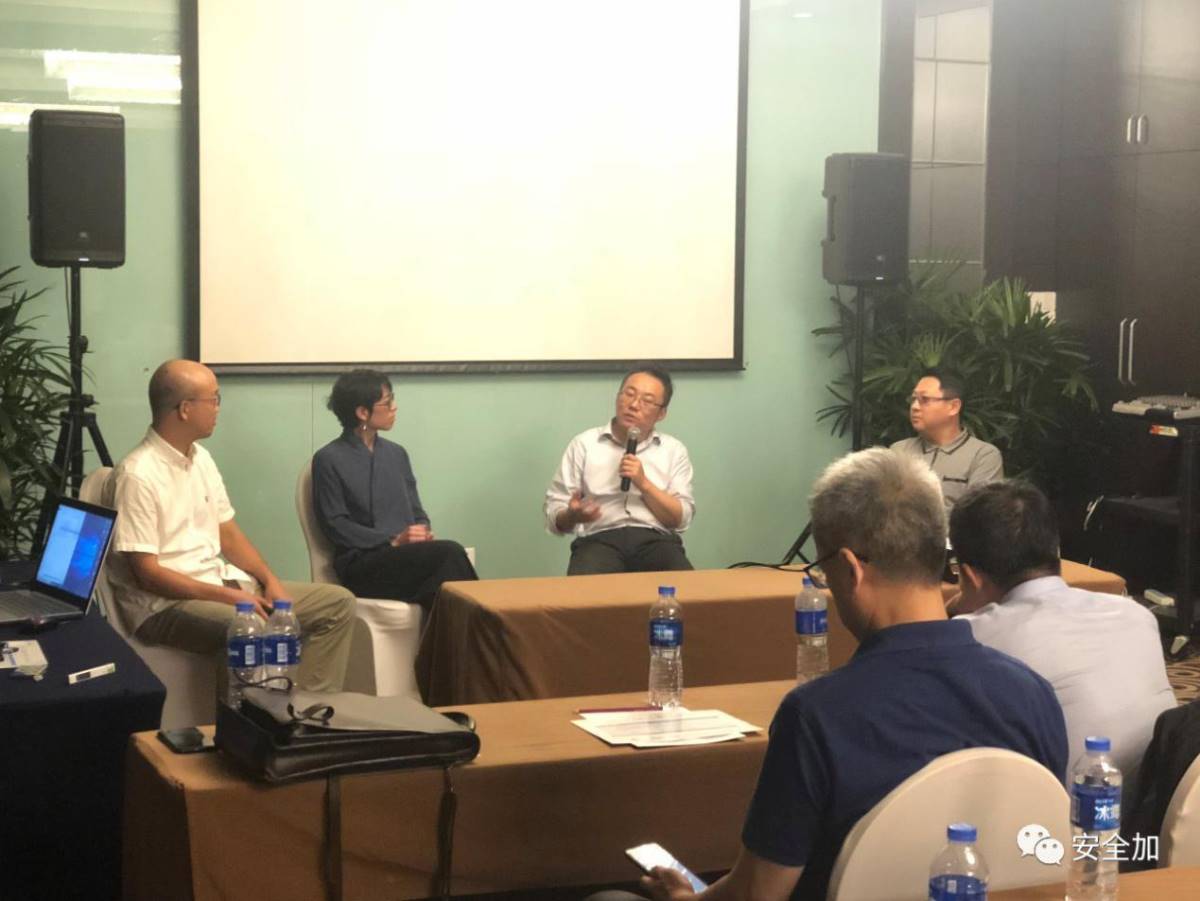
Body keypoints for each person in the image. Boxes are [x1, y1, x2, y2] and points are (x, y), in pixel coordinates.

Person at [591, 449, 1066, 901]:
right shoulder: (1032, 693)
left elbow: (757, 894)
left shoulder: (818, 714)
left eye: (823, 572)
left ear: (849, 569)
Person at [102, 360, 356, 692]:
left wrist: (269, 581)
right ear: (185, 409)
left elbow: (229, 534)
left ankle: (302, 708)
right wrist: (229, 597)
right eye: (214, 399)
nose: (218, 408)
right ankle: (241, 721)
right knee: (246, 625)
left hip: (216, 584)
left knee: (337, 604)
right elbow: (148, 574)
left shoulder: (201, 458)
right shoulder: (138, 474)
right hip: (162, 606)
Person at [950, 479, 1175, 790]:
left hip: (1066, 814)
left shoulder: (971, 640)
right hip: (1168, 804)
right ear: (1056, 550)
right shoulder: (1137, 615)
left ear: (969, 576)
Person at [311, 370, 476, 611]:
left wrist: (421, 531)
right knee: (450, 556)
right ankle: (480, 629)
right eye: (387, 403)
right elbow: (336, 524)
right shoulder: (328, 459)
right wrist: (392, 540)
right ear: (362, 412)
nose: (394, 408)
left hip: (405, 557)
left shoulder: (396, 454)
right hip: (362, 564)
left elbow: (417, 511)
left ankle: (455, 633)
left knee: (447, 574)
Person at [544, 366, 695, 575]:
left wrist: (644, 484)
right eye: (629, 394)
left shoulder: (673, 450)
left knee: (687, 588)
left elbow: (681, 519)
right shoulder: (584, 444)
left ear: (661, 413)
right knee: (582, 592)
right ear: (617, 397)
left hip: (656, 542)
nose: (634, 405)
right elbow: (554, 516)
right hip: (599, 541)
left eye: (647, 401)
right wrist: (572, 515)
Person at [890, 367, 1002, 510]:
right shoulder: (899, 451)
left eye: (924, 399)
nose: (915, 407)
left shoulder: (983, 456)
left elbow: (979, 516)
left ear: (953, 407)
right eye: (913, 399)